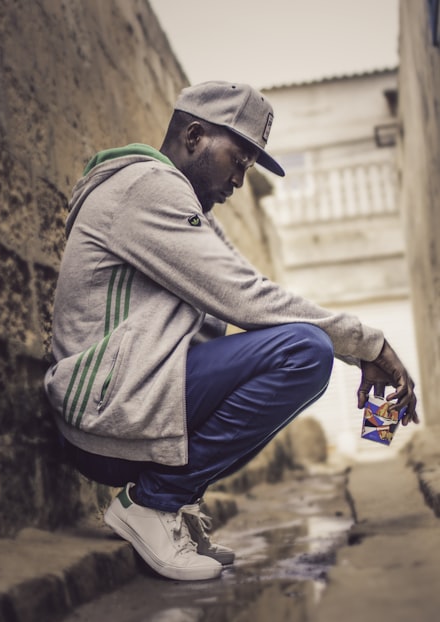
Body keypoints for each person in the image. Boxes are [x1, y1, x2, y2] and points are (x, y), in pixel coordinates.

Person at [44, 81, 419, 581]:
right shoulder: (148, 188)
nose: (240, 180)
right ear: (195, 136)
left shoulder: (185, 206)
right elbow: (247, 297)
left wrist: (356, 348)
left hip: (122, 406)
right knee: (303, 352)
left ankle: (169, 504)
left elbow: (249, 287)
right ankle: (152, 503)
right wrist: (367, 343)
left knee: (294, 347)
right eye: (238, 160)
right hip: (104, 411)